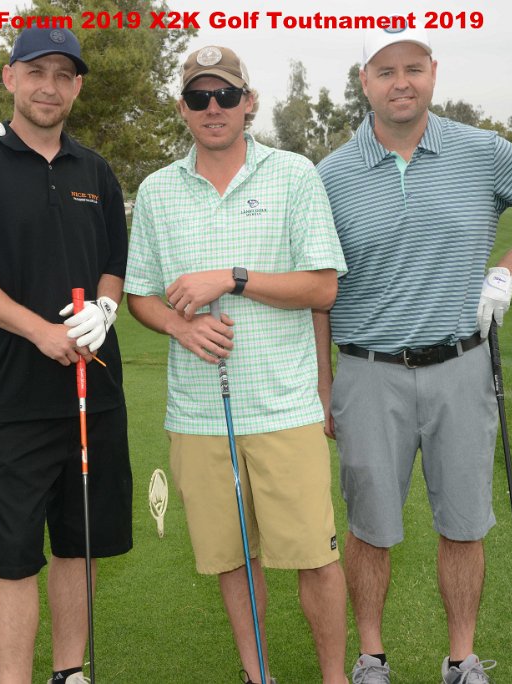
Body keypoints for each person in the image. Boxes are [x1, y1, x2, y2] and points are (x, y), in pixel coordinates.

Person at [314, 27, 512, 684]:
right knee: (370, 526)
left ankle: (461, 659)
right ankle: (371, 657)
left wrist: (506, 271)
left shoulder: (481, 150)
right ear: (364, 82)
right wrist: (323, 385)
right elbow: (318, 291)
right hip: (367, 372)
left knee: (463, 523)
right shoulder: (329, 175)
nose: (401, 82)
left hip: (462, 365)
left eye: (413, 67)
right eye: (385, 71)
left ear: (433, 71)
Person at [124, 46, 349, 684]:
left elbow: (322, 286)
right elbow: (140, 294)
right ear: (183, 108)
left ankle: (335, 677)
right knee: (233, 561)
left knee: (316, 558)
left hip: (284, 407)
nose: (214, 108)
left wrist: (233, 277)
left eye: (226, 95)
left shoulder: (294, 174)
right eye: (199, 97)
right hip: (198, 415)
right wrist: (179, 325)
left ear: (249, 102)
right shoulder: (157, 190)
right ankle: (258, 676)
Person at [0, 27, 132, 684]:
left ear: (77, 87)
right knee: (15, 557)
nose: (50, 87)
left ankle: (70, 672)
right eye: (36, 72)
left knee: (80, 546)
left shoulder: (95, 171)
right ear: (10, 77)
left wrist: (105, 308)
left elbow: (113, 264)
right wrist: (39, 331)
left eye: (63, 75)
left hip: (94, 395)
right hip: (12, 400)